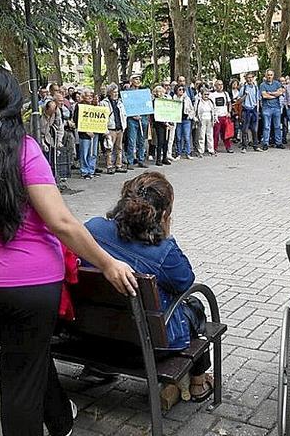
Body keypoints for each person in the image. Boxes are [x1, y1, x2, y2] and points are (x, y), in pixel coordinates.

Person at [0, 69, 137, 436]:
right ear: (19, 107)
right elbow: (61, 223)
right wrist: (108, 262)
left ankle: (61, 419)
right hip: (28, 288)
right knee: (19, 378)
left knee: (26, 356)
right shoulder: (26, 149)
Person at [84, 172, 215, 401]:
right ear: (163, 214)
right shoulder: (164, 252)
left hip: (91, 338)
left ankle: (99, 367)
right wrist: (168, 236)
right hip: (143, 349)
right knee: (194, 306)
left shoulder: (92, 229)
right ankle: (198, 383)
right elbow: (185, 282)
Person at [100, 84, 128, 175]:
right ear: (109, 93)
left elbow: (124, 115)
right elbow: (102, 118)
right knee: (109, 148)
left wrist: (124, 126)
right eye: (114, 92)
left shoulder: (120, 102)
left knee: (119, 148)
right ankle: (109, 166)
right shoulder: (104, 103)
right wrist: (105, 131)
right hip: (111, 128)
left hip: (120, 128)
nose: (116, 94)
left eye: (117, 92)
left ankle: (118, 165)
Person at [124, 75, 150, 169]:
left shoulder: (143, 92)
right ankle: (130, 161)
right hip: (132, 119)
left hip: (143, 118)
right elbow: (126, 106)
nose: (138, 80)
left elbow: (147, 105)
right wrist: (132, 115)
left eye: (139, 79)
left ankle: (141, 159)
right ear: (131, 81)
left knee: (141, 140)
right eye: (136, 79)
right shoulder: (128, 93)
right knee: (132, 140)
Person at [258, 69, 284, 150]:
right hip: (266, 108)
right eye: (268, 75)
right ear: (266, 75)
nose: (269, 76)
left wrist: (270, 93)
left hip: (276, 107)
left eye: (271, 75)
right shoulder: (262, 85)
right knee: (266, 126)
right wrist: (275, 94)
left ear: (273, 75)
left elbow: (280, 93)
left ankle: (278, 142)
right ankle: (265, 143)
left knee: (277, 126)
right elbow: (264, 96)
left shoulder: (277, 83)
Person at [73, 101, 100, 180]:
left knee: (93, 153)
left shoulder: (94, 105)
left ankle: (91, 170)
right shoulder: (79, 106)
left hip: (95, 133)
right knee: (85, 153)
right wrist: (85, 131)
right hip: (84, 134)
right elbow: (77, 120)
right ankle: (84, 171)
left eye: (91, 95)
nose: (90, 97)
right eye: (88, 96)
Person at [209, 80, 233, 153]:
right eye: (218, 85)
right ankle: (214, 148)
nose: (220, 86)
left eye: (221, 84)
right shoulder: (212, 95)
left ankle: (228, 147)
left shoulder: (225, 94)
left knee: (226, 133)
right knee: (215, 134)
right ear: (215, 86)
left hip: (224, 116)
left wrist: (229, 112)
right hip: (217, 117)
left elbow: (229, 103)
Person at [239, 73, 261, 152]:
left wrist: (258, 110)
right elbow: (239, 100)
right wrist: (245, 95)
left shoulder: (256, 87)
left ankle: (255, 146)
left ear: (253, 78)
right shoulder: (243, 88)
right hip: (246, 110)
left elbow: (258, 99)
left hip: (254, 110)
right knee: (245, 129)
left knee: (254, 129)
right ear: (246, 79)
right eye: (248, 78)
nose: (250, 79)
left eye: (251, 77)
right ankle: (244, 147)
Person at [151, 86, 172, 167]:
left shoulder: (166, 100)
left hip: (167, 123)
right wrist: (164, 123)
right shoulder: (155, 101)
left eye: (162, 92)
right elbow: (156, 114)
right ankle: (158, 159)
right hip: (159, 123)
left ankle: (165, 158)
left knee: (166, 141)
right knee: (160, 141)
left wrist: (169, 122)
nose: (161, 93)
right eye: (159, 92)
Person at [173, 85, 195, 159]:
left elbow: (192, 109)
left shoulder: (187, 98)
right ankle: (178, 153)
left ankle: (188, 153)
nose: (181, 91)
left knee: (187, 137)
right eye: (180, 89)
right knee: (178, 137)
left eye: (183, 89)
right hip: (178, 120)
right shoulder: (174, 98)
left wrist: (190, 116)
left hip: (186, 120)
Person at [195, 88, 216, 157]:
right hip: (202, 120)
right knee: (201, 136)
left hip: (209, 119)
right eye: (205, 94)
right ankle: (201, 151)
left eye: (207, 94)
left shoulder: (211, 101)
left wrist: (215, 118)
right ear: (201, 94)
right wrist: (196, 119)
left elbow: (214, 110)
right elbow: (195, 111)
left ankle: (211, 150)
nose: (206, 96)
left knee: (210, 135)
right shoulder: (198, 102)